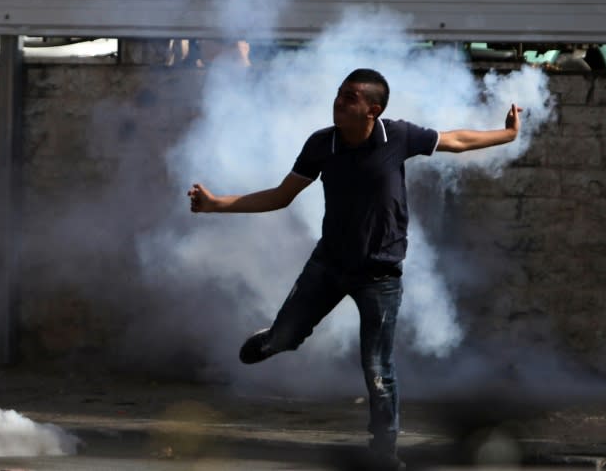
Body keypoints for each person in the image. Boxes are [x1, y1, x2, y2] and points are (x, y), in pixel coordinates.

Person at [188, 68, 522, 470]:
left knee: (379, 369)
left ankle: (384, 454)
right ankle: (273, 338)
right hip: (328, 265)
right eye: (339, 94)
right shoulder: (321, 144)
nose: (339, 102)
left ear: (372, 110)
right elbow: (281, 196)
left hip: (380, 276)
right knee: (286, 339)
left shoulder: (396, 136)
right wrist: (216, 204)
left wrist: (506, 135)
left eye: (350, 98)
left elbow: (456, 140)